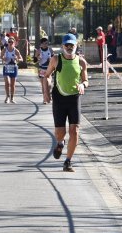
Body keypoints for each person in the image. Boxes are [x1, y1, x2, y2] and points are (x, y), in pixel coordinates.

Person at [43, 33, 88, 172]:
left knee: (74, 131)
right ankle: (60, 143)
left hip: (74, 98)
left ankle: (68, 161)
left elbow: (86, 80)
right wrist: (46, 92)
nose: (69, 47)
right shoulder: (56, 59)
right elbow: (47, 76)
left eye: (72, 45)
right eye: (66, 45)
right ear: (63, 46)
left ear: (76, 46)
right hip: (59, 99)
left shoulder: (81, 62)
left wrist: (83, 85)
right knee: (60, 133)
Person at [0, 37, 23, 103]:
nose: (10, 43)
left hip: (14, 67)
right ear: (7, 43)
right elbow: (1, 56)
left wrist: (17, 59)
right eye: (9, 42)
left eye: (12, 42)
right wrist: (3, 58)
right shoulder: (5, 49)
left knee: (13, 84)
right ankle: (7, 97)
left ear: (14, 43)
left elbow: (21, 59)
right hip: (7, 67)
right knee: (7, 82)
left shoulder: (16, 50)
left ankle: (12, 98)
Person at [34, 37, 54, 104]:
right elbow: (34, 61)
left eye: (47, 43)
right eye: (44, 43)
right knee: (43, 84)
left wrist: (50, 59)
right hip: (42, 68)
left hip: (49, 68)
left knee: (49, 84)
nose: (46, 45)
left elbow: (54, 59)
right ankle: (44, 98)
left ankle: (49, 96)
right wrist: (37, 58)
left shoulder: (50, 50)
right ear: (41, 44)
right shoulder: (38, 51)